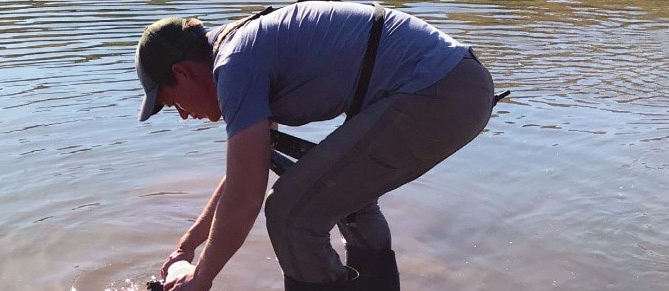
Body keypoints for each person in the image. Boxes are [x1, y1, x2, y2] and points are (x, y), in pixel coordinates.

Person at [134, 1, 495, 290]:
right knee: (344, 202)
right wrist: (187, 246)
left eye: (172, 102)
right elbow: (244, 176)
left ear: (182, 73)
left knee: (292, 214)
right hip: (455, 84)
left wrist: (201, 278)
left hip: (437, 91)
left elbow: (246, 196)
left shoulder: (234, 64)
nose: (183, 115)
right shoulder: (240, 51)